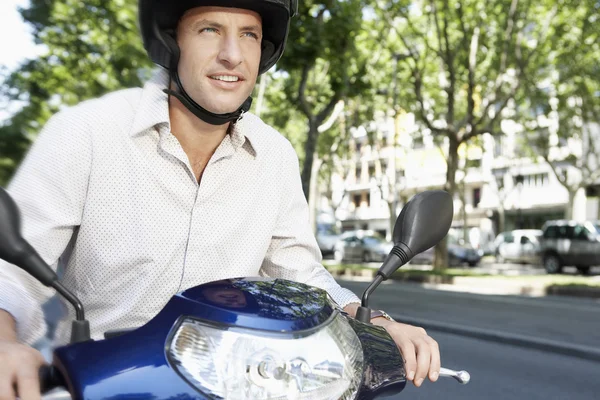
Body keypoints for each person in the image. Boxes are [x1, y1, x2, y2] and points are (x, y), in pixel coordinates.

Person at [0, 0, 441, 398]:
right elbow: (11, 275)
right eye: (210, 29)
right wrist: (5, 345)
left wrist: (377, 322)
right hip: (100, 385)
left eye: (248, 34)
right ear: (171, 42)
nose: (233, 54)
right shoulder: (86, 133)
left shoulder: (274, 155)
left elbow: (301, 273)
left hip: (234, 385)